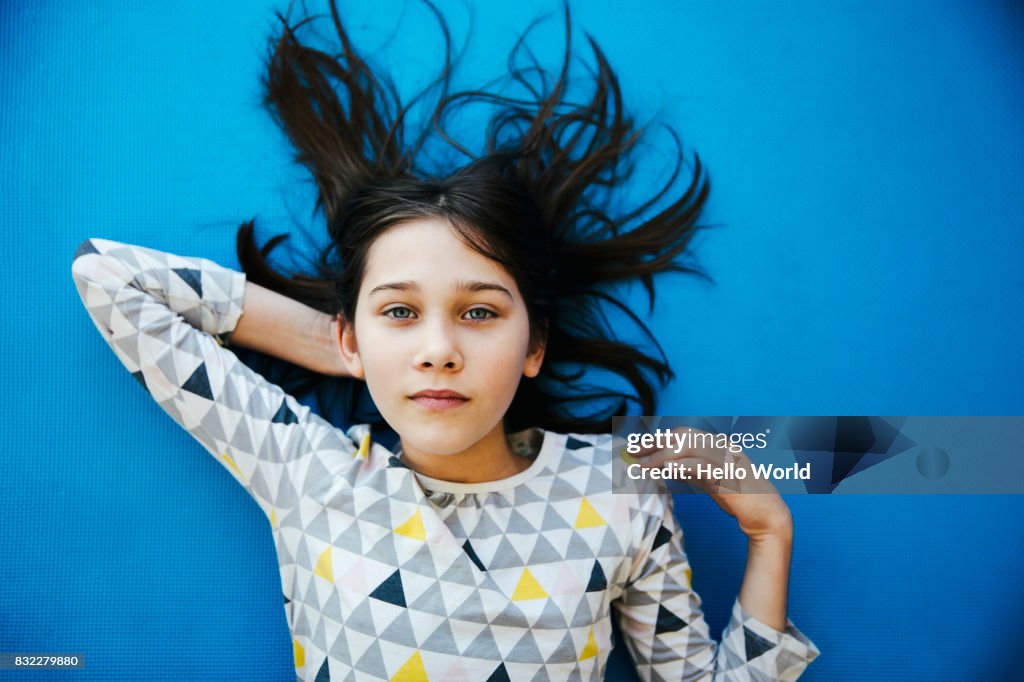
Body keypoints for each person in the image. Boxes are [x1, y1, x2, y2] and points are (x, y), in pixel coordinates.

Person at [71, 1, 819, 679]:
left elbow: (926, 456)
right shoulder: (305, 470)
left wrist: (768, 532)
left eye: (481, 313)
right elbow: (109, 279)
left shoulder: (621, 490)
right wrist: (348, 349)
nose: (439, 350)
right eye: (400, 312)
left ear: (535, 347)